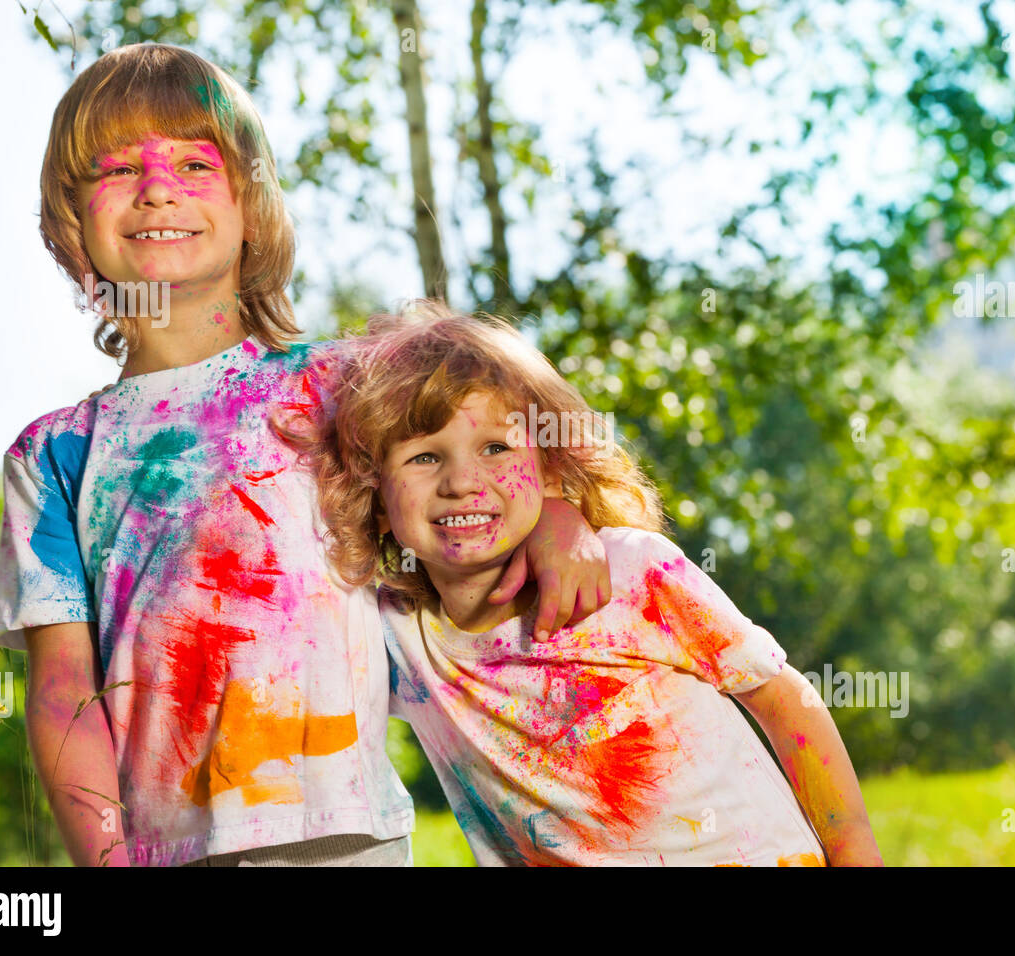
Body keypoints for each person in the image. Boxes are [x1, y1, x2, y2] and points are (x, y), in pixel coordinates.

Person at [0, 44, 608, 867]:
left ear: (252, 207)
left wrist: (560, 519)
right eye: (115, 168)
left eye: (193, 162)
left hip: (347, 832)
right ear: (71, 221)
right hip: (167, 852)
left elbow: (487, 471)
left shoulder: (344, 386)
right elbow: (63, 692)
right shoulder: (54, 454)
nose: (156, 187)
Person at [300, 301, 886, 865]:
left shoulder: (632, 571)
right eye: (424, 457)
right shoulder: (395, 635)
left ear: (549, 465)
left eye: (496, 447)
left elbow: (785, 699)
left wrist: (855, 850)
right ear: (372, 497)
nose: (462, 481)